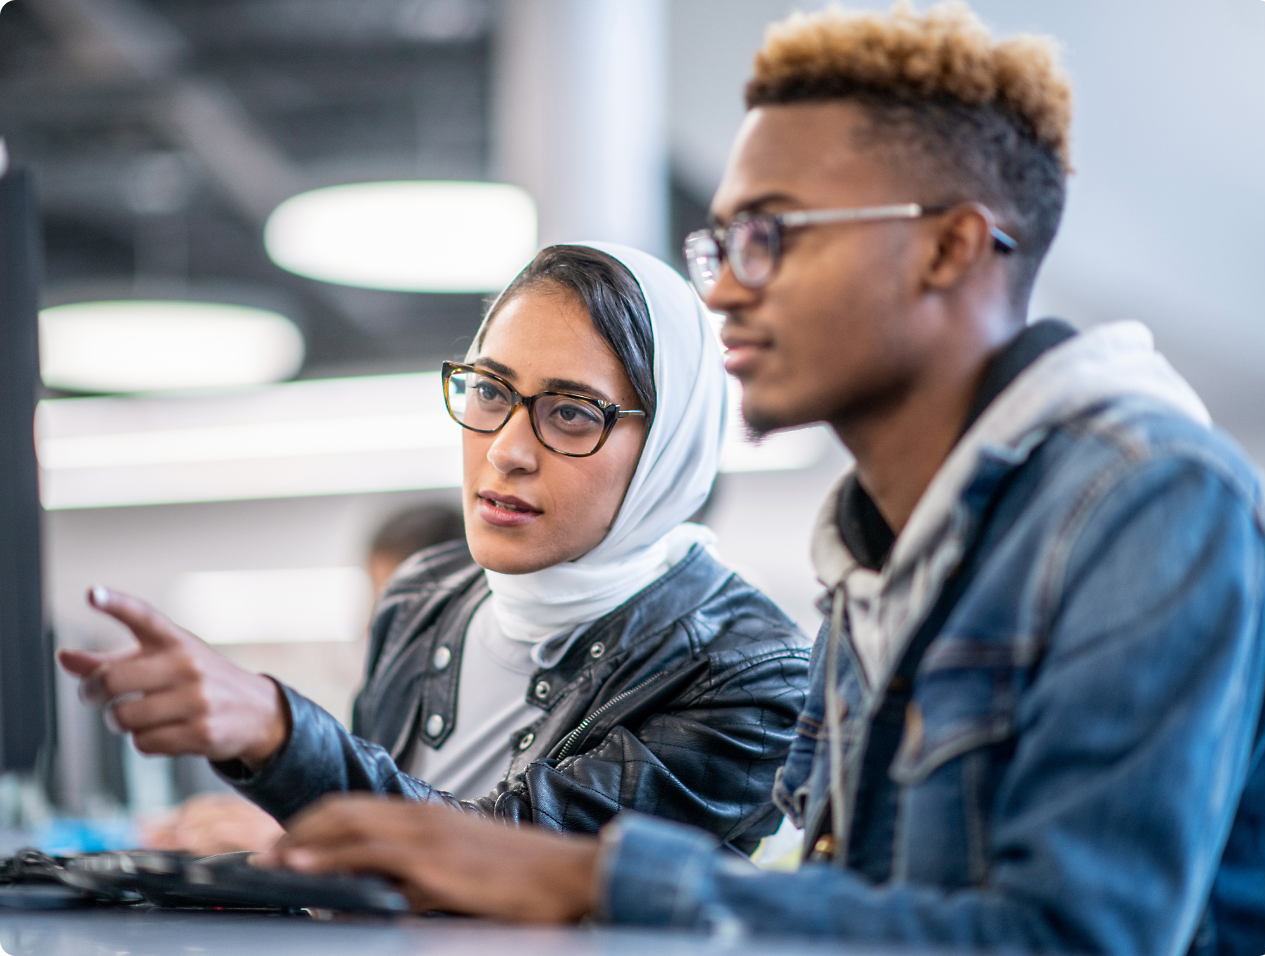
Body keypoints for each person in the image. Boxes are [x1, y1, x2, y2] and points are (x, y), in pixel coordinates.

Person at [256, 5, 1265, 954]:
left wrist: (593, 878)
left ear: (949, 246)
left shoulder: (1145, 502)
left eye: (772, 235)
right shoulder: (876, 551)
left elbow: (1068, 935)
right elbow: (868, 909)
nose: (728, 288)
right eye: (723, 239)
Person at [58, 243, 811, 855]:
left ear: (668, 447)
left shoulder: (752, 674)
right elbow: (368, 879)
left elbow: (524, 860)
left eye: (572, 413)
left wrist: (282, 735)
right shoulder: (425, 593)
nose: (508, 449)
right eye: (489, 390)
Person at [141, 503, 466, 857]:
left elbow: (454, 848)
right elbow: (378, 806)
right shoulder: (387, 708)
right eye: (379, 609)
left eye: (400, 615)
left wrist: (301, 837)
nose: (371, 628)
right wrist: (287, 819)